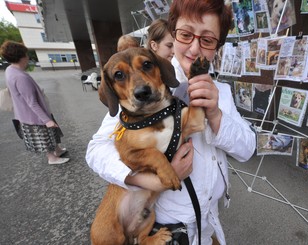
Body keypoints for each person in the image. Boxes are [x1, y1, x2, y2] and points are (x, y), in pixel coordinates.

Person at [86, 0, 256, 244]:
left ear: (218, 45)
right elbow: (96, 150)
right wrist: (149, 179)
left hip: (209, 221)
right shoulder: (148, 87)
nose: (195, 49)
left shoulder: (222, 92)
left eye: (207, 40)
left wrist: (216, 115)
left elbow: (247, 149)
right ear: (173, 33)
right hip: (164, 227)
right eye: (186, 35)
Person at [0, 41, 69, 165]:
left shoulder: (10, 70)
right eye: (26, 54)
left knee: (52, 133)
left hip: (24, 113)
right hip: (34, 115)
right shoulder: (20, 77)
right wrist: (46, 120)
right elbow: (32, 102)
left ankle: (57, 150)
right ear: (21, 57)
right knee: (45, 136)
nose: (28, 57)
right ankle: (52, 158)